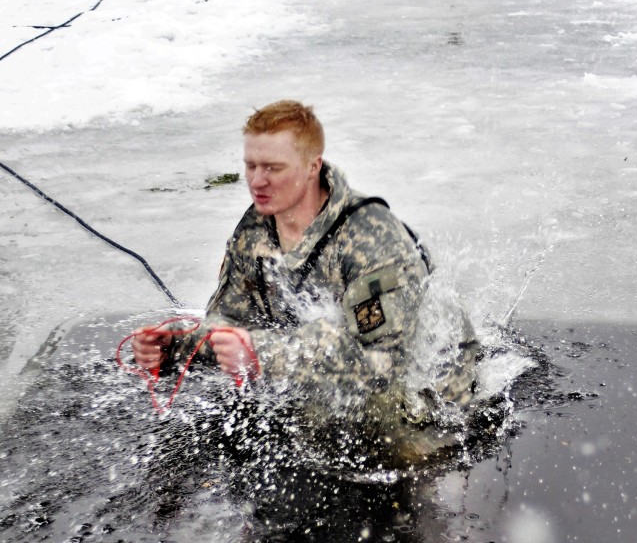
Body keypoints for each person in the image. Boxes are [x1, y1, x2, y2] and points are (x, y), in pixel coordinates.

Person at [132, 100, 478, 466]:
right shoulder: (254, 231)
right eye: (250, 166)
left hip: (426, 404)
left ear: (313, 166)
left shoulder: (370, 238)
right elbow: (230, 323)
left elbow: (383, 366)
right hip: (329, 380)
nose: (257, 181)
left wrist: (262, 355)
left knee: (380, 449)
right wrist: (176, 349)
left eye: (273, 168)